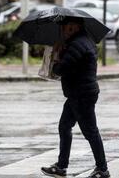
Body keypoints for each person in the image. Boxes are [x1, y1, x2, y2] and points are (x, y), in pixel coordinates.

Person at [41, 21, 110, 178]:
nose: (64, 30)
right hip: (78, 93)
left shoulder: (77, 44)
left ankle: (103, 169)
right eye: (64, 28)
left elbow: (61, 69)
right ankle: (61, 166)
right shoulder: (83, 41)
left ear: (76, 27)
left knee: (90, 131)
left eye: (67, 27)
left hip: (81, 94)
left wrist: (57, 57)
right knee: (64, 126)